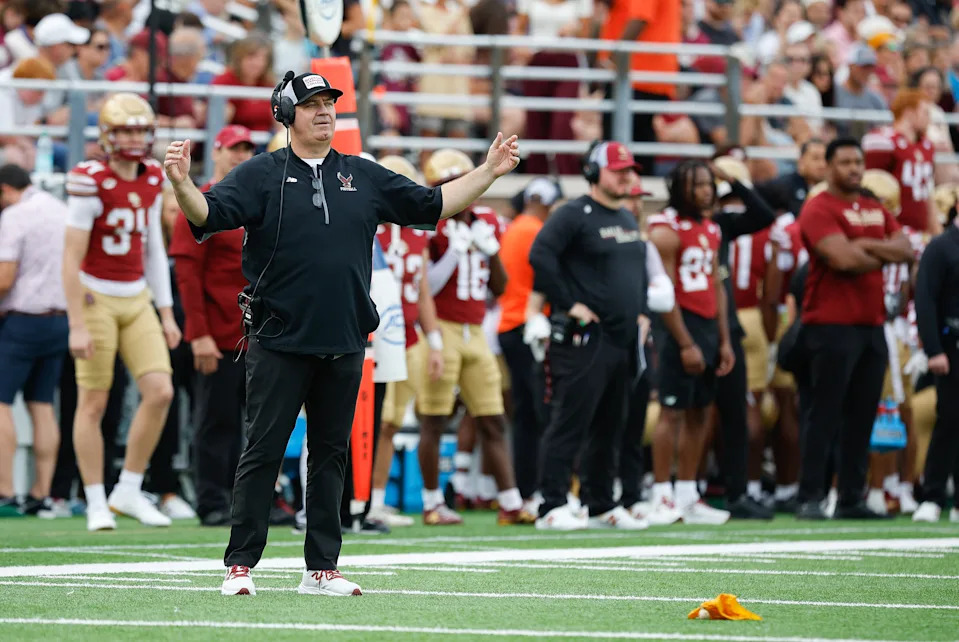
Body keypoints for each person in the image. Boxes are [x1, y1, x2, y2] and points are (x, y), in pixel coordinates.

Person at [164, 71, 520, 597]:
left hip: (346, 335)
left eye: (329, 102)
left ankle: (321, 569)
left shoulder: (362, 173)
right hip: (279, 337)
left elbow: (432, 204)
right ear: (287, 116)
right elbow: (209, 216)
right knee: (262, 450)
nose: (324, 111)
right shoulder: (259, 173)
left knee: (331, 454)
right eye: (310, 104)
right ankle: (240, 565)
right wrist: (182, 184)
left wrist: (489, 172)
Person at [63, 93, 182, 532]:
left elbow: (153, 246)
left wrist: (166, 312)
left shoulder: (152, 176)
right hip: (95, 294)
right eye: (125, 130)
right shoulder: (89, 179)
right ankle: (95, 497)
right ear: (108, 136)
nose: (134, 138)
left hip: (136, 297)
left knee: (161, 391)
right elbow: (70, 256)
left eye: (139, 130)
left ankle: (128, 488)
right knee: (94, 401)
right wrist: (75, 321)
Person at [529, 140, 655, 531]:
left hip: (621, 339)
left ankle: (600, 503)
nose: (626, 177)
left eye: (629, 171)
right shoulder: (573, 214)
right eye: (618, 171)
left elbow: (635, 273)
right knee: (571, 420)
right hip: (586, 338)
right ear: (593, 173)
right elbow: (540, 256)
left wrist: (642, 312)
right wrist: (568, 303)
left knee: (611, 424)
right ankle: (551, 504)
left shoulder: (627, 218)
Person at [795, 138, 914, 520]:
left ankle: (850, 496)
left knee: (863, 414)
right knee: (824, 413)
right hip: (829, 323)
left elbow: (907, 250)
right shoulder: (817, 208)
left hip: (871, 324)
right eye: (845, 162)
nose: (854, 168)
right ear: (829, 167)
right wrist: (876, 248)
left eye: (858, 161)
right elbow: (841, 259)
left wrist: (861, 243)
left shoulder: (874, 206)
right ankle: (810, 495)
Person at [417, 148, 524, 526]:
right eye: (446, 184)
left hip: (476, 329)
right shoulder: (430, 223)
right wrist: (453, 255)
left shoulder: (487, 221)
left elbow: (501, 286)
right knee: (434, 418)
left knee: (492, 417)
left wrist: (490, 252)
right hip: (441, 327)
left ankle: (511, 501)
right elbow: (424, 286)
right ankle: (432, 502)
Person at [168, 125, 255, 527]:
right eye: (233, 149)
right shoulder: (201, 200)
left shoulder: (258, 199)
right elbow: (187, 273)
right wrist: (198, 334)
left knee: (257, 426)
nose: (240, 156)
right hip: (217, 335)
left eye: (246, 150)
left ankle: (249, 500)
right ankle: (212, 499)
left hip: (257, 336)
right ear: (217, 152)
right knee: (216, 421)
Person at [646, 160, 735, 527]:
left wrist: (725, 339)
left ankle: (687, 492)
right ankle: (661, 493)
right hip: (676, 326)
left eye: (708, 183)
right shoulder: (665, 228)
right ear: (679, 187)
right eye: (697, 184)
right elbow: (665, 293)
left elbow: (716, 284)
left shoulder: (710, 226)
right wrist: (684, 343)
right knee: (672, 411)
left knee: (701, 410)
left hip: (707, 327)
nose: (706, 190)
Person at [368, 155, 445, 528]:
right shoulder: (368, 228)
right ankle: (361, 498)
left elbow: (423, 290)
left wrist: (436, 341)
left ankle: (377, 499)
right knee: (374, 422)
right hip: (376, 337)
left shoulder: (418, 231)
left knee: (392, 424)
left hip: (410, 337)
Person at [0, 164, 69, 516]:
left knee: (1, 403)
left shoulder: (14, 215)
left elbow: (5, 277)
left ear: (5, 189)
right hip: (60, 319)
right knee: (42, 405)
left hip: (23, 320)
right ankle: (42, 493)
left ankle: (6, 491)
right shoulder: (61, 210)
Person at [496, 178, 559, 519]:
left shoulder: (516, 227)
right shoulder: (536, 230)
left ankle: (526, 489)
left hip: (510, 324)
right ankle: (538, 490)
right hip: (529, 327)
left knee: (526, 417)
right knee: (540, 414)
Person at [912, 200, 959, 523]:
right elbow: (925, 299)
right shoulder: (940, 247)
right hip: (951, 345)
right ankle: (933, 495)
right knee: (949, 419)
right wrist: (933, 349)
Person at [863, 89, 941, 234]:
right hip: (892, 228)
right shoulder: (883, 140)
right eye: (925, 113)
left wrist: (936, 230)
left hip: (920, 229)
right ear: (909, 113)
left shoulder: (927, 146)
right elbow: (870, 191)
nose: (929, 119)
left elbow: (927, 192)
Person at [756, 139, 828, 217]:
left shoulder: (832, 188)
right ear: (801, 161)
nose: (822, 164)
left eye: (825, 159)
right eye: (816, 158)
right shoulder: (783, 185)